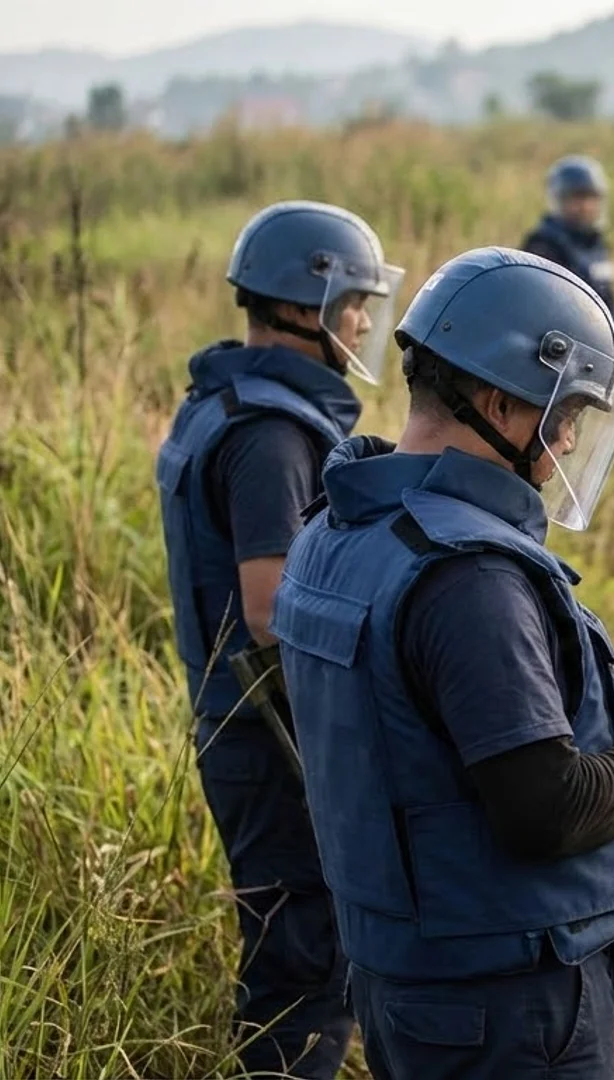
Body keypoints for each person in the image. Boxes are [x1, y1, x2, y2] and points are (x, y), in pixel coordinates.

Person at [269, 246, 614, 1078]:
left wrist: (582, 698)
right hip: (504, 1006)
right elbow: (544, 810)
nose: (569, 435)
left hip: (405, 980)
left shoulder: (337, 529)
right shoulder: (469, 573)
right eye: (564, 411)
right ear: (498, 401)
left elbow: (400, 712)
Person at [155, 199, 405, 1077]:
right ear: (308, 304)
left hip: (239, 725)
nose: (365, 321)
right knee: (303, 968)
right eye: (355, 303)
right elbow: (271, 610)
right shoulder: (270, 434)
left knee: (293, 952)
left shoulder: (226, 398)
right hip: (269, 736)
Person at [521, 154, 614, 428]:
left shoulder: (596, 246)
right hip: (555, 374)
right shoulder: (545, 246)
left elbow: (612, 323)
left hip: (595, 370)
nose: (585, 206)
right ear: (559, 199)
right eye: (576, 198)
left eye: (591, 198)